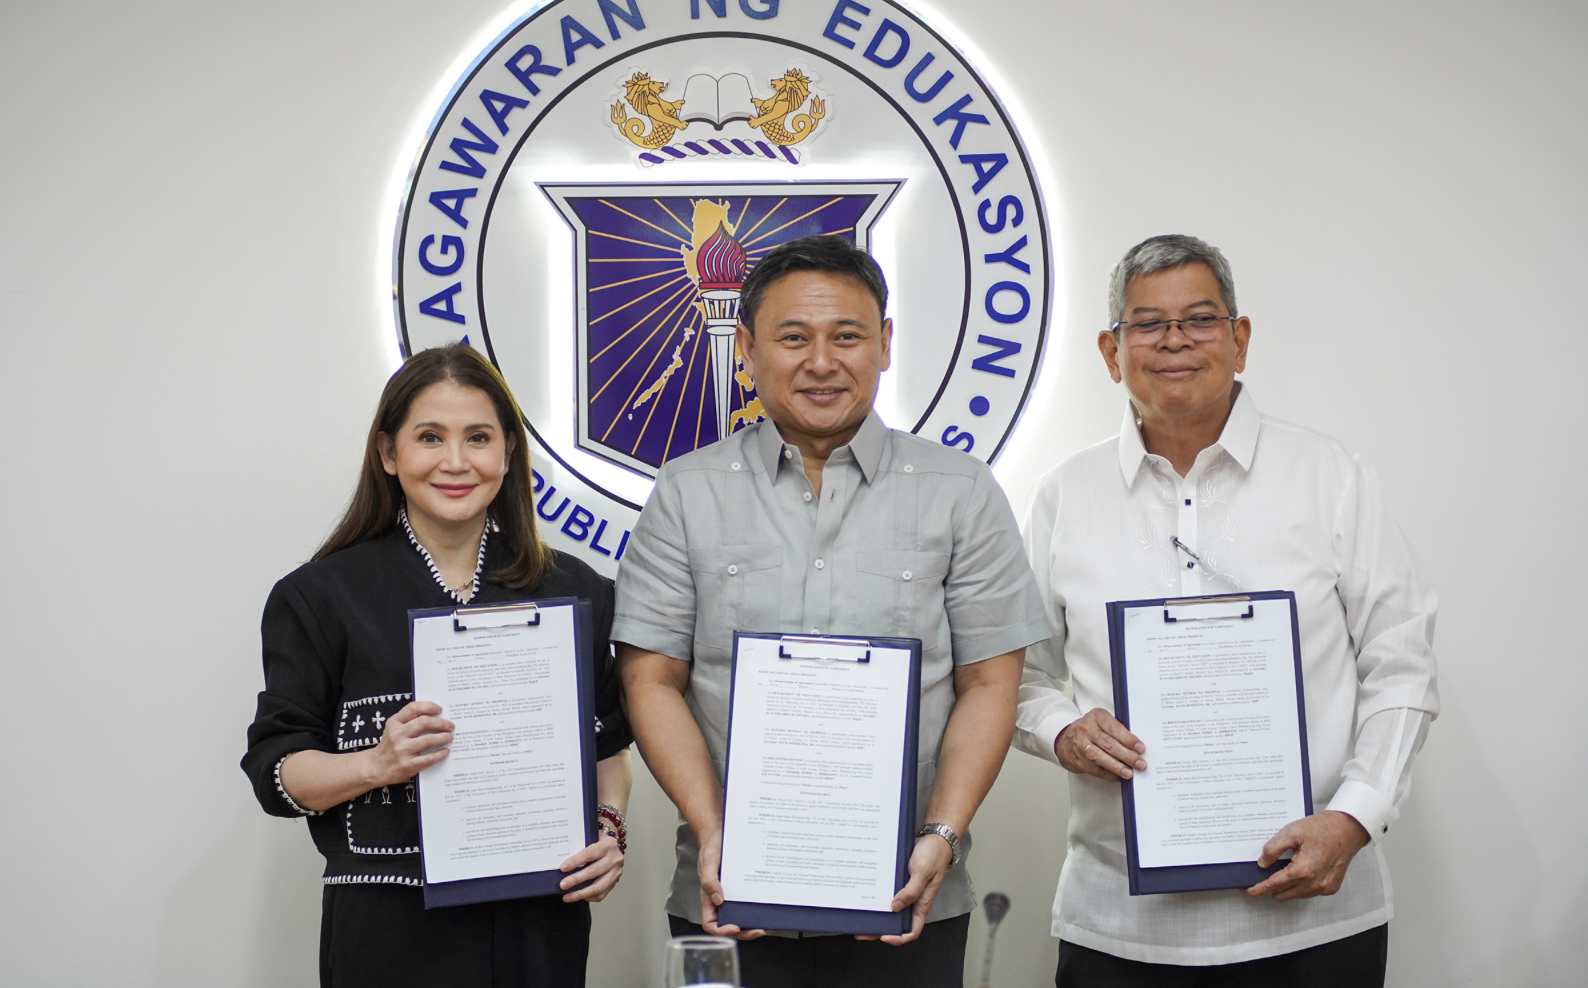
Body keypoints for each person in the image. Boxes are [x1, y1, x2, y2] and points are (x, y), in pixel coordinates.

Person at [613, 234, 1048, 988]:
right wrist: (716, 833)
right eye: (793, 337)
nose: (822, 361)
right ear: (746, 347)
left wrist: (941, 834)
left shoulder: (961, 490)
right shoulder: (686, 493)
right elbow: (651, 678)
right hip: (728, 900)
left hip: (907, 900)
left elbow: (990, 682)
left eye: (847, 336)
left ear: (884, 344)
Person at [1015, 234, 1439, 986]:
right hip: (1120, 925)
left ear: (1239, 341)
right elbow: (1016, 676)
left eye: (1200, 320)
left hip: (1314, 922)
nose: (1174, 341)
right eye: (1148, 324)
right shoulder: (1063, 496)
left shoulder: (1332, 478)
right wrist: (1062, 731)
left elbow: (1401, 662)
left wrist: (1356, 816)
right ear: (1112, 352)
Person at [241, 344, 633, 988]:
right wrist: (376, 763)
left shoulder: (578, 590)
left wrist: (610, 830)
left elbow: (608, 745)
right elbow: (275, 774)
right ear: (390, 454)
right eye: (430, 437)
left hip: (537, 921)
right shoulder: (318, 596)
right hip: (387, 929)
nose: (456, 462)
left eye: (478, 438)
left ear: (508, 454)